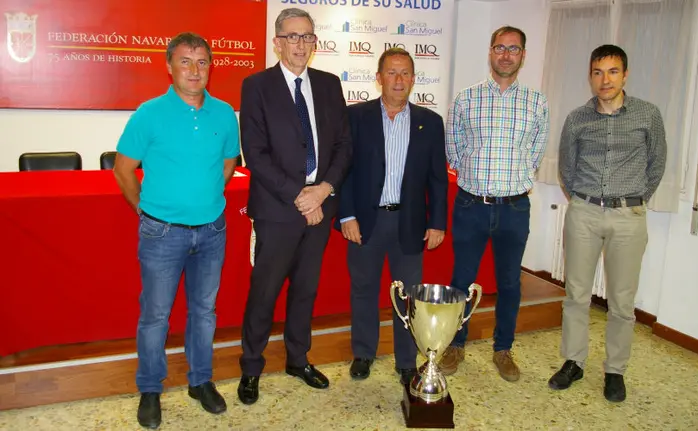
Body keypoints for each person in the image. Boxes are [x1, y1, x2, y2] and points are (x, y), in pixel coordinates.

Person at [113, 32, 239, 429]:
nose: (194, 70)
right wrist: (147, 212)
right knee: (156, 316)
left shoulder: (224, 113)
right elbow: (123, 169)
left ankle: (199, 381)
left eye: (202, 62)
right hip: (162, 234)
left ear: (211, 67)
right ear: (169, 66)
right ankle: (150, 388)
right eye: (185, 61)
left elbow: (227, 164)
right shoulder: (148, 114)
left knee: (204, 312)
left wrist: (204, 200)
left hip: (212, 232)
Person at [237, 7, 352, 405]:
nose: (300, 44)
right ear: (276, 42)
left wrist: (323, 190)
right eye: (292, 37)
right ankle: (251, 367)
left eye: (307, 37)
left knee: (305, 289)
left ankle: (297, 359)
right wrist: (301, 195)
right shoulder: (256, 86)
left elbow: (342, 146)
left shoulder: (329, 84)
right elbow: (255, 153)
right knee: (264, 293)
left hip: (320, 205)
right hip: (277, 209)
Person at [549, 44, 667, 402]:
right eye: (598, 72)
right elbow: (567, 169)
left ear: (625, 75)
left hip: (628, 216)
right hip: (584, 212)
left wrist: (633, 201)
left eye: (613, 71)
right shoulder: (577, 119)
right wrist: (584, 201)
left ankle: (615, 370)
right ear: (591, 76)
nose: (605, 80)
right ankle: (574, 361)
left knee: (621, 301)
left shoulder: (648, 115)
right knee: (576, 295)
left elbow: (656, 165)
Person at [442, 26, 549, 382]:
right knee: (461, 281)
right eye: (500, 48)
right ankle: (455, 344)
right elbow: (453, 150)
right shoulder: (466, 99)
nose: (506, 55)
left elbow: (535, 153)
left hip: (514, 208)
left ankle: (503, 349)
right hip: (472, 204)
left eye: (514, 49)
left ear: (523, 56)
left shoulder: (537, 102)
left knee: (509, 283)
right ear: (490, 53)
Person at [337, 48, 448, 384]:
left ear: (413, 80)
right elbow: (343, 171)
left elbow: (437, 179)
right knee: (364, 290)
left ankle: (405, 360)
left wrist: (438, 222)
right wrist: (346, 216)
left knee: (409, 296)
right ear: (378, 77)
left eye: (405, 73)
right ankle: (363, 353)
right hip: (365, 223)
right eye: (391, 72)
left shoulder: (430, 122)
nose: (398, 80)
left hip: (409, 223)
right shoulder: (355, 117)